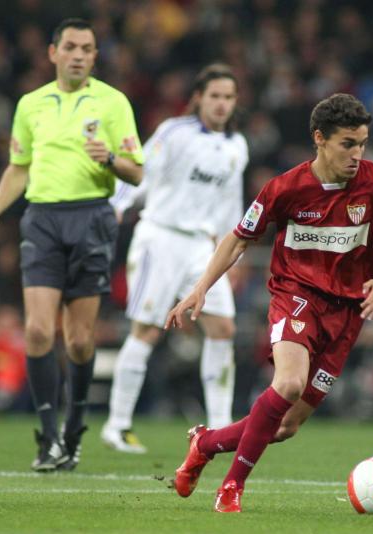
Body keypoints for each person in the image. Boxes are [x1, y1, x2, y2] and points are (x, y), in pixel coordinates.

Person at [164, 93, 373, 512]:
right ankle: (231, 488)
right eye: (348, 143)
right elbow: (239, 237)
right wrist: (202, 285)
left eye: (362, 143)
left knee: (286, 426)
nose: (356, 153)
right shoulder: (286, 188)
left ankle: (205, 444)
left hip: (347, 312)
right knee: (289, 383)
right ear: (320, 139)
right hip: (296, 294)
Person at [0, 18, 143, 471]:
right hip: (43, 219)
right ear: (52, 52)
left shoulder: (112, 102)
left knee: (80, 340)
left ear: (94, 56)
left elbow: (136, 170)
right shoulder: (31, 105)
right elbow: (18, 166)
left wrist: (110, 158)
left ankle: (74, 428)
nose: (77, 55)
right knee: (36, 330)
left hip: (91, 217)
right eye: (70, 46)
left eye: (86, 49)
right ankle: (48, 438)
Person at [101, 63, 248, 453]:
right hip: (160, 238)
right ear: (198, 97)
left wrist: (231, 255)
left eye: (228, 97)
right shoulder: (174, 132)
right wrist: (117, 206)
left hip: (203, 247)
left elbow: (229, 205)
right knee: (147, 330)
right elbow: (141, 173)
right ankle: (117, 425)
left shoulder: (237, 147)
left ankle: (219, 428)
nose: (221, 104)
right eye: (214, 95)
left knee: (223, 329)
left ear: (235, 103)